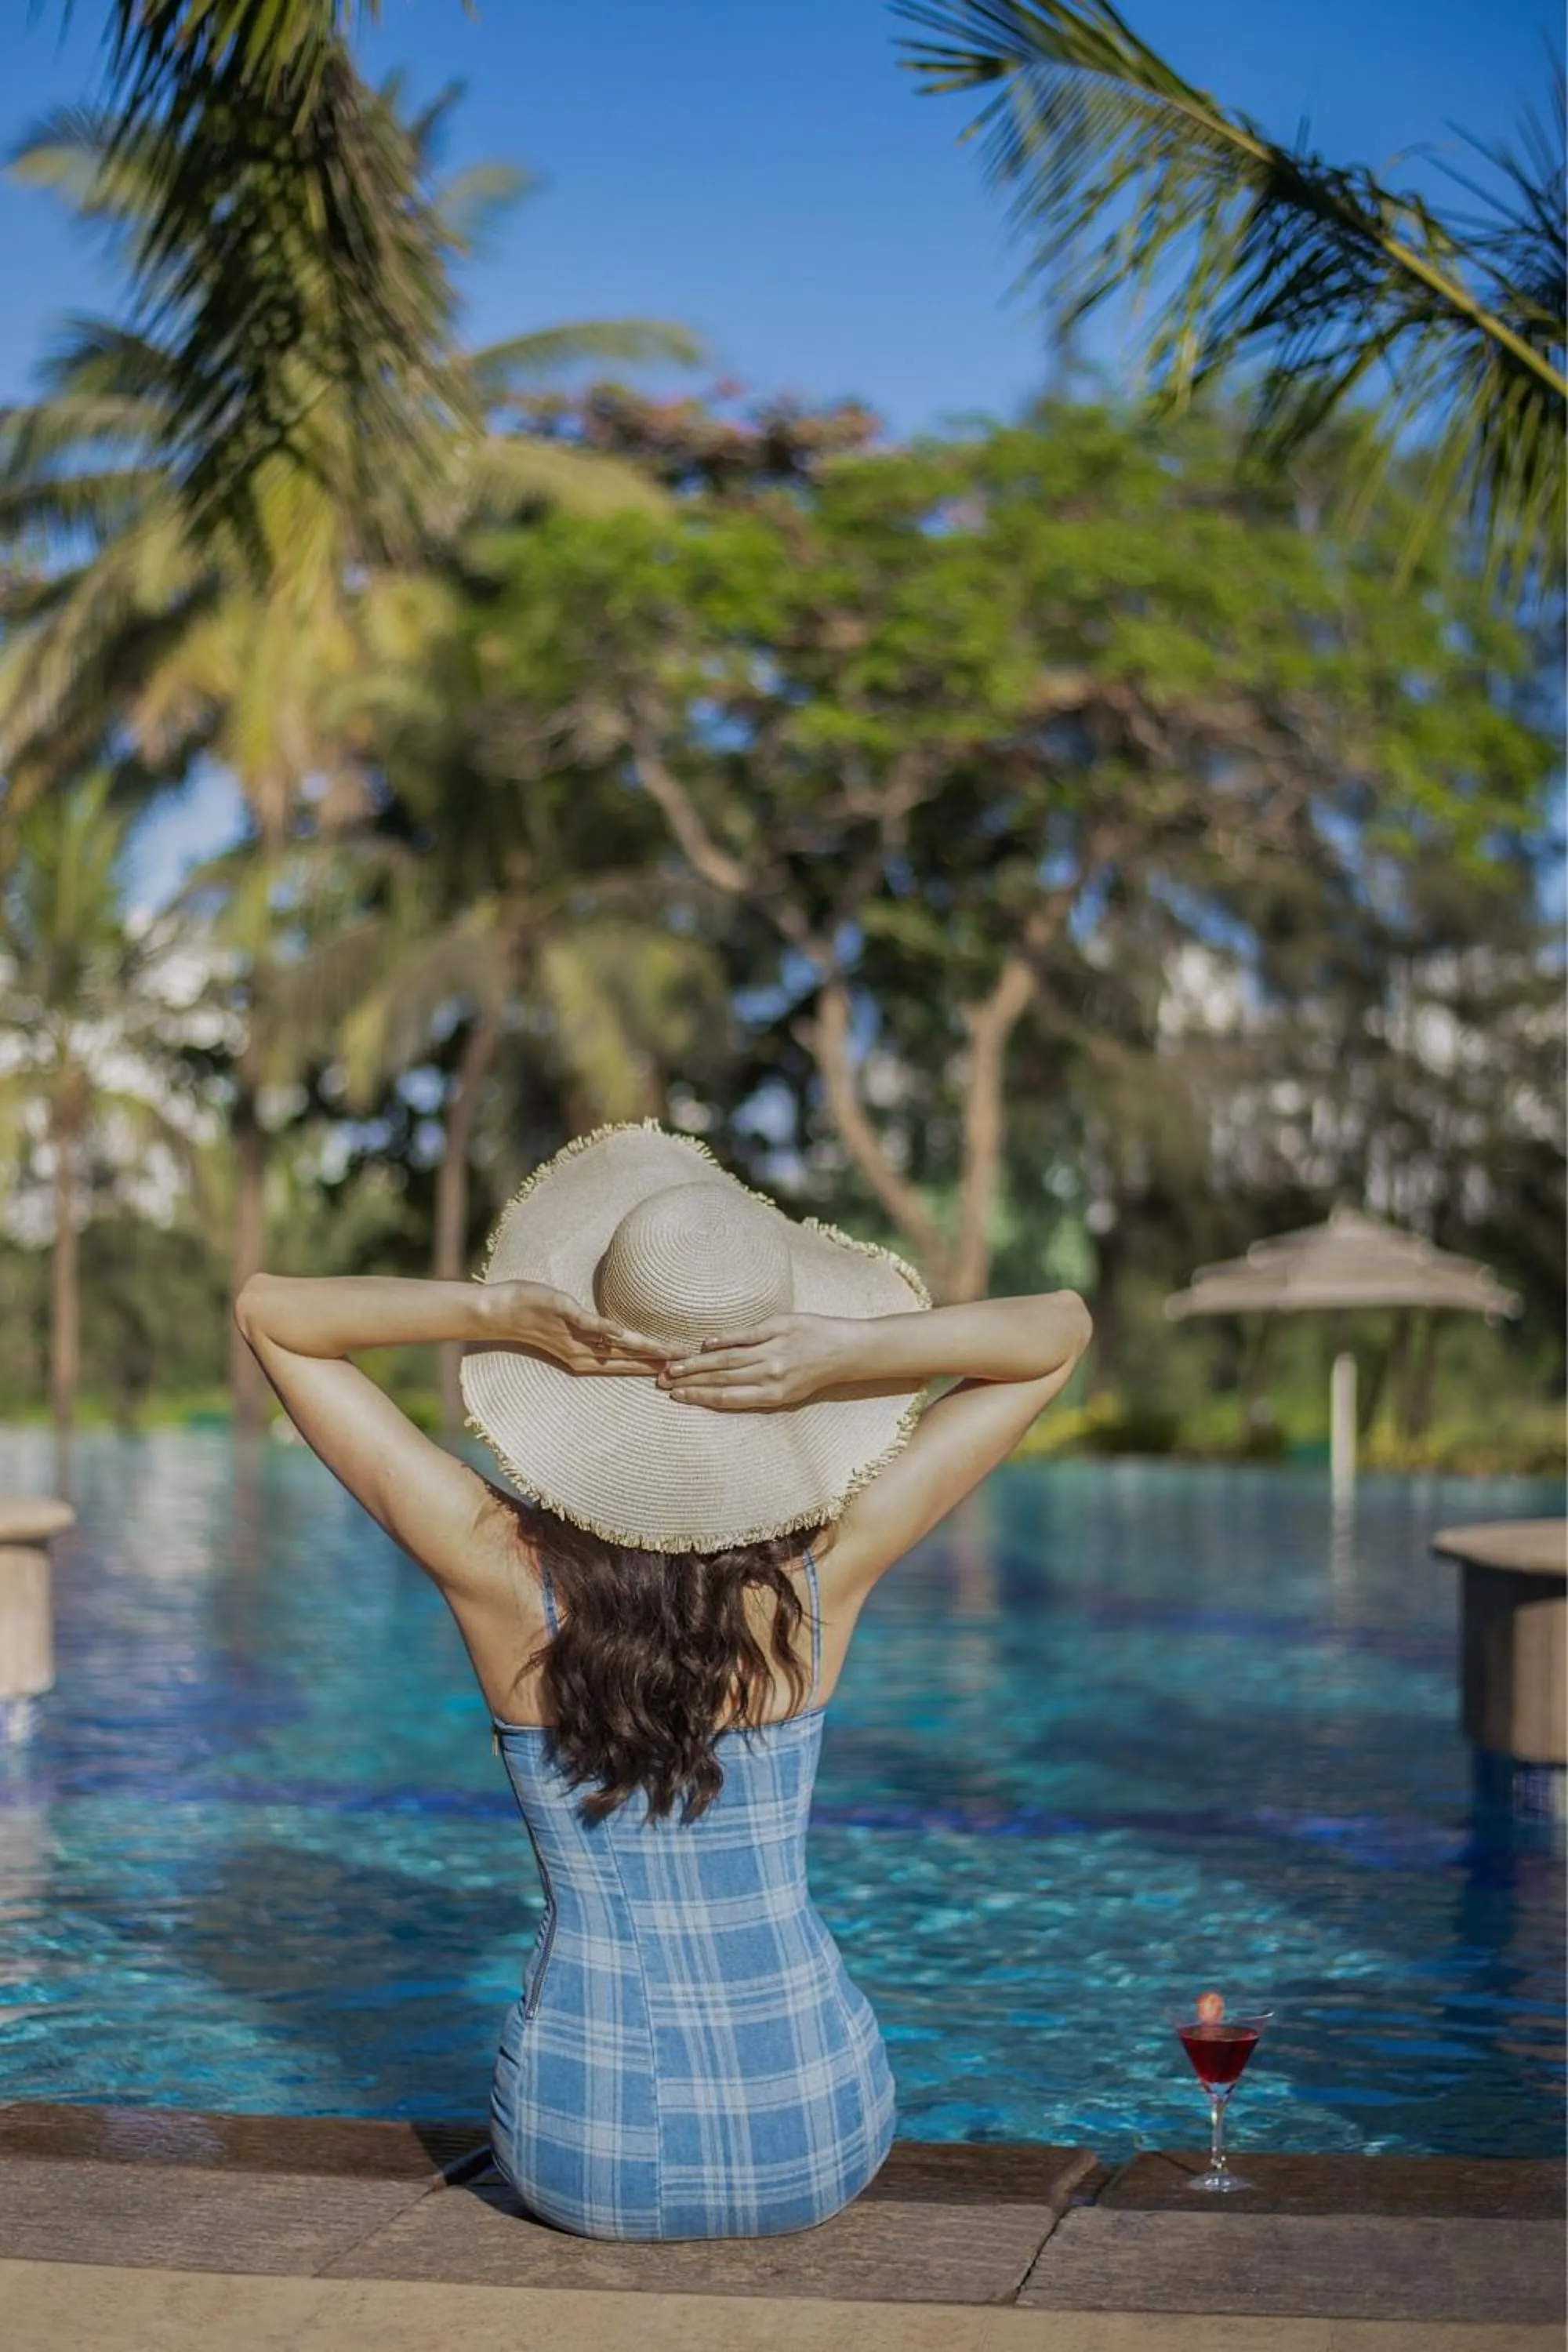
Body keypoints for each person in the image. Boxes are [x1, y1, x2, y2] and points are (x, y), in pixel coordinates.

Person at [235, 1120, 1091, 2241]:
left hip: (582, 2153)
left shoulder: (496, 1569)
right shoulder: (826, 1580)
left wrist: (492, 1315)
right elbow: (1060, 1332)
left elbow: (272, 1317)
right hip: (817, 2131)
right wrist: (843, 1352)